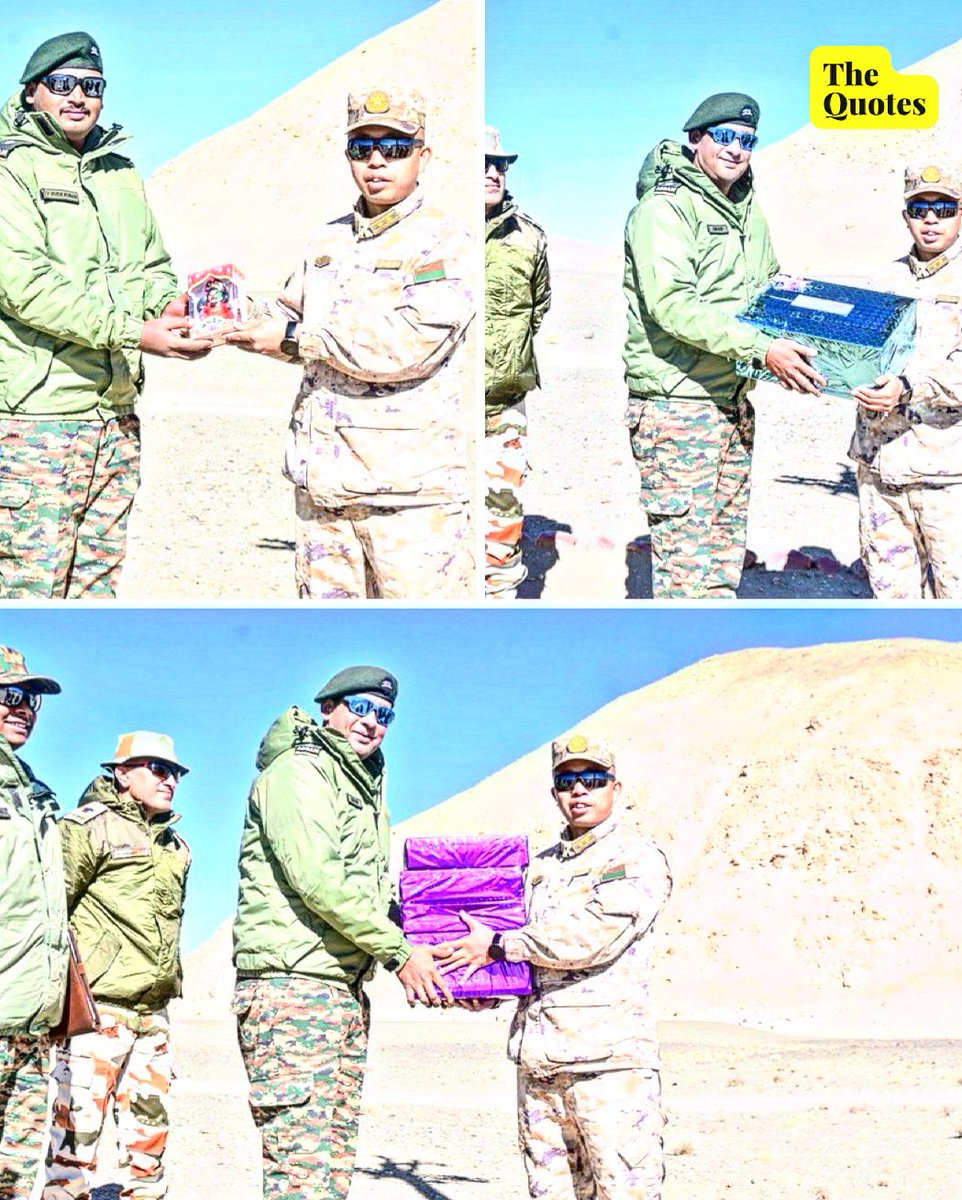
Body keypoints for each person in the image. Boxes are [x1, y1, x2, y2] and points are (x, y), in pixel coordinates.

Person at [225, 88, 475, 600]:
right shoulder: (327, 241)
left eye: (395, 147)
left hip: (408, 499)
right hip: (325, 492)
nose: (377, 161)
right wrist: (228, 315)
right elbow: (287, 314)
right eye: (362, 148)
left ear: (423, 157)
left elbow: (408, 345)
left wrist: (296, 340)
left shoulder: (442, 243)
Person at [0, 31, 212, 600]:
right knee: (29, 587)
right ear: (30, 95)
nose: (78, 97)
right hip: (37, 419)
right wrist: (136, 332)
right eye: (62, 84)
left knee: (97, 586)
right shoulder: (10, 170)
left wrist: (169, 308)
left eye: (92, 87)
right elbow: (23, 286)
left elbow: (152, 265)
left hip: (115, 417)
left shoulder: (117, 172)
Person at [231, 665, 452, 1200]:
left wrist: (444, 948)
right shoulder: (300, 772)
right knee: (299, 1169)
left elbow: (369, 895)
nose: (371, 723)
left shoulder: (364, 787)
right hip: (293, 989)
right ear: (328, 707)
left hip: (340, 989)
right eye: (359, 707)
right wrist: (401, 954)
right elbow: (319, 880)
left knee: (329, 1165)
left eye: (384, 715)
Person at [436, 734, 672, 1200]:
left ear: (616, 789)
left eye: (593, 779)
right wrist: (476, 981)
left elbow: (593, 936)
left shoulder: (634, 859)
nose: (579, 790)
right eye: (567, 781)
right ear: (554, 794)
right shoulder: (536, 870)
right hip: (540, 1069)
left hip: (608, 1070)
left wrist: (500, 946)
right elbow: (517, 961)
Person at [622, 91, 825, 599]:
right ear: (697, 140)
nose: (737, 149)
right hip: (678, 409)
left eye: (748, 140)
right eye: (726, 137)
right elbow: (672, 305)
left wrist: (815, 327)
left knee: (721, 563)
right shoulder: (665, 209)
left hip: (733, 403)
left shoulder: (747, 214)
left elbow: (768, 289)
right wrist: (763, 349)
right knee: (685, 574)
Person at [44, 732, 191, 1200]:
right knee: (74, 1145)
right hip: (96, 1011)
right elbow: (52, 911)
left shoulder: (177, 847)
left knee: (149, 1145)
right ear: (122, 773)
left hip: (153, 1015)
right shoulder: (85, 828)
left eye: (176, 773)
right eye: (157, 769)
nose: (169, 779)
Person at [850, 164, 962, 598]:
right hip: (880, 470)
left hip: (948, 477)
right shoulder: (884, 281)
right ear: (906, 216)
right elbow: (858, 355)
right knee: (892, 605)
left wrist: (910, 386)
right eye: (920, 208)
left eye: (943, 208)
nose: (931, 219)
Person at [0, 648, 68, 1200]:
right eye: (9, 695)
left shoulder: (33, 793)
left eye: (31, 700)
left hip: (29, 1013)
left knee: (14, 1171)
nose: (23, 709)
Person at [484, 124, 550, 599]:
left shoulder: (528, 237)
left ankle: (498, 601)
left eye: (499, 165)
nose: (492, 173)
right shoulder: (433, 234)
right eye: (481, 164)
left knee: (502, 515)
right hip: (434, 411)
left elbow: (538, 306)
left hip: (504, 405)